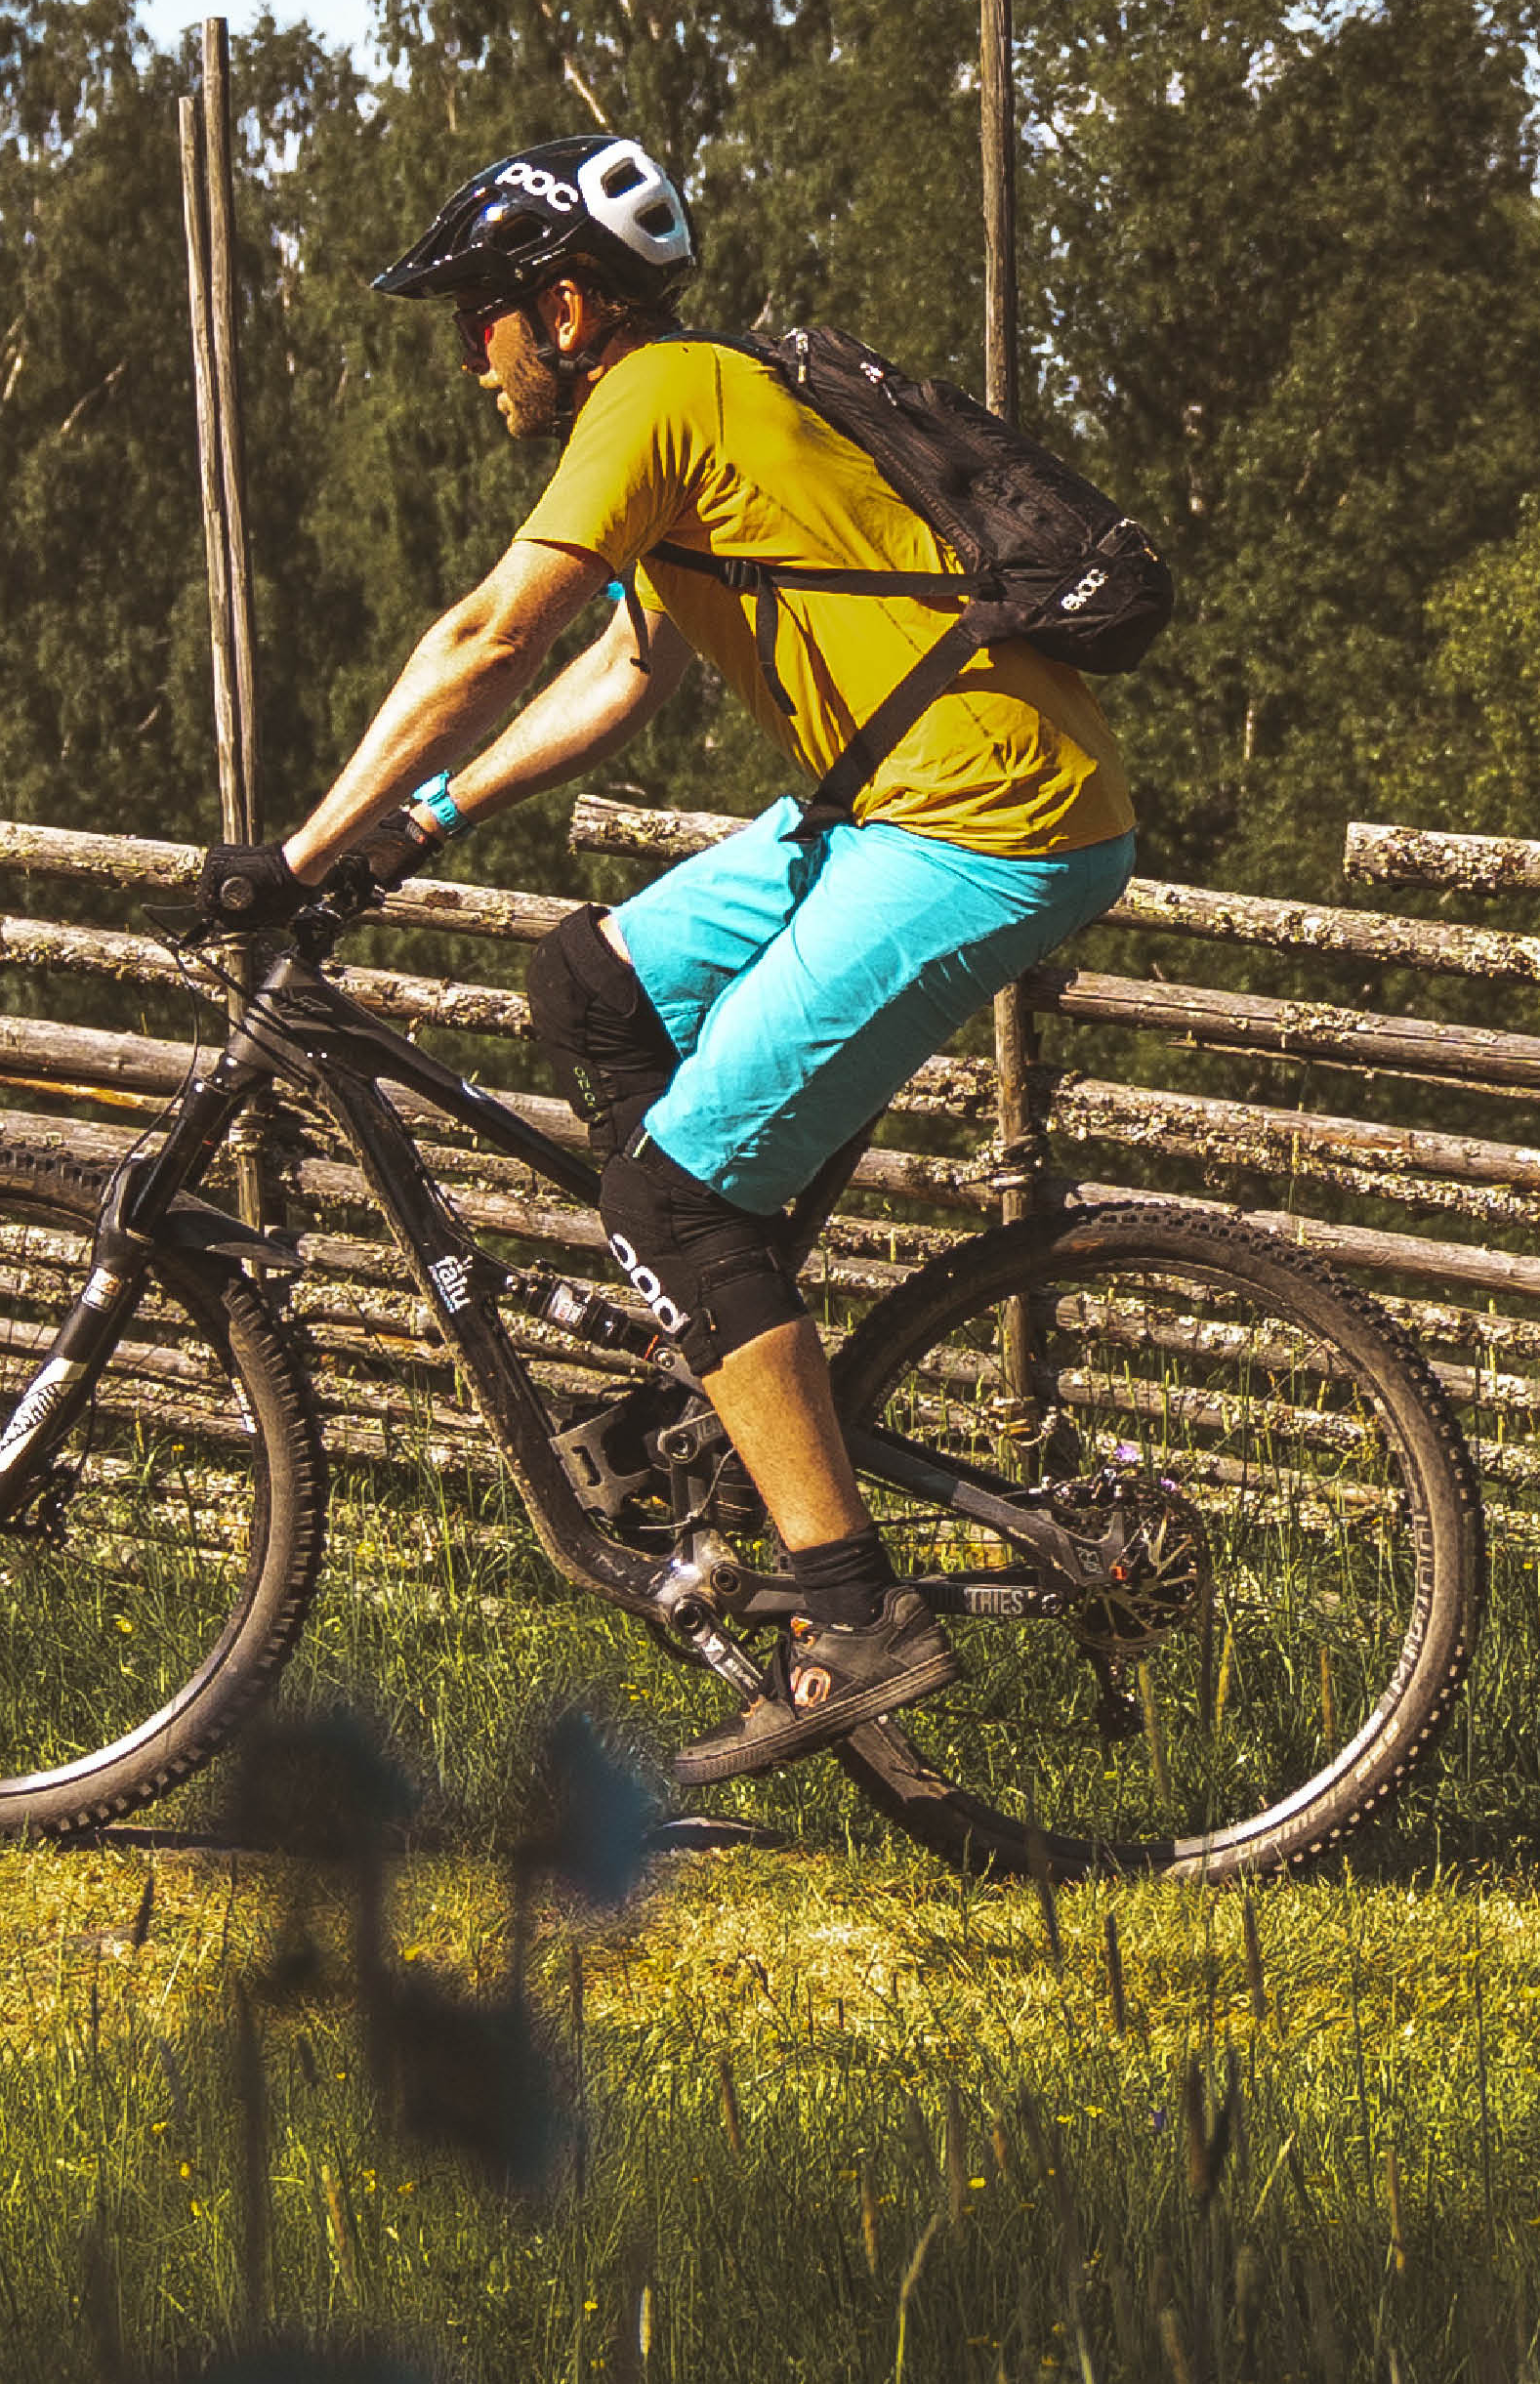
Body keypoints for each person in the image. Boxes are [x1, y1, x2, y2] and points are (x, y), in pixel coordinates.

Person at [264, 136, 1140, 1732]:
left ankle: (851, 1610)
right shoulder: (707, 410)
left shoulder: (653, 399)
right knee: (588, 984)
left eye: (483, 323)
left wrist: (300, 849)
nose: (476, 368)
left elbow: (492, 632)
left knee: (674, 1196)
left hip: (985, 819)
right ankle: (715, 1361)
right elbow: (621, 676)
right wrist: (421, 825)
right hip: (907, 794)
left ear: (567, 305)